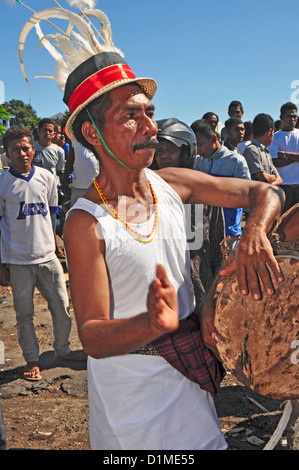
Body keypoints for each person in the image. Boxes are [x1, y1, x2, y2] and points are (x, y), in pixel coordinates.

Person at [21, 5, 285, 451]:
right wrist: (153, 321)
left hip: (192, 382)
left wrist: (254, 232)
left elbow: (266, 194)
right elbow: (93, 336)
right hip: (132, 409)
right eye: (131, 116)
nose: (151, 127)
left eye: (150, 113)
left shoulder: (172, 184)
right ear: (91, 133)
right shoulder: (87, 222)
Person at [0, 127, 86, 381]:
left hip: (48, 256)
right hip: (18, 261)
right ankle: (32, 359)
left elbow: (51, 215)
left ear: (32, 149)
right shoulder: (2, 183)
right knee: (24, 313)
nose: (21, 153)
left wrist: (57, 248)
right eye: (14, 149)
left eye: (25, 148)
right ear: (6, 154)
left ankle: (63, 350)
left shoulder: (47, 177)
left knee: (61, 306)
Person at [152, 118, 225, 305]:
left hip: (202, 289)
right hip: (163, 290)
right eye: (159, 151)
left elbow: (218, 244)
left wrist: (220, 286)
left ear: (187, 153)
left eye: (171, 150)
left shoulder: (204, 191)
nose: (165, 156)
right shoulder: (145, 194)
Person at [191, 119, 250, 251]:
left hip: (228, 232)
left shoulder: (236, 161)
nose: (198, 150)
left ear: (213, 138)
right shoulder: (198, 162)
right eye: (195, 146)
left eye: (200, 145)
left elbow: (246, 196)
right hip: (203, 231)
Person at [33, 118, 66, 258]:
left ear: (54, 133)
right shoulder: (31, 148)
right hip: (32, 189)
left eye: (50, 130)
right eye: (45, 130)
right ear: (38, 131)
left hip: (50, 191)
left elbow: (58, 172)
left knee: (51, 219)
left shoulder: (58, 151)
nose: (47, 133)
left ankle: (55, 247)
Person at [268, 102, 299, 213]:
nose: (292, 119)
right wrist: (296, 158)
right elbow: (275, 162)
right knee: (282, 221)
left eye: (294, 116)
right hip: (283, 186)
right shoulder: (274, 137)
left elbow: (280, 159)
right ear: (281, 117)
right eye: (289, 116)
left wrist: (285, 155)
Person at [244, 114, 282, 185]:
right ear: (269, 132)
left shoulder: (266, 152)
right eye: (273, 133)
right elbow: (264, 179)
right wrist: (274, 178)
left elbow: (280, 180)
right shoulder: (251, 150)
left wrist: (270, 184)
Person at [62, 140, 99, 207]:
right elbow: (70, 161)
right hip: (77, 187)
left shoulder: (101, 137)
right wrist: (64, 181)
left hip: (97, 188)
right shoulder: (74, 139)